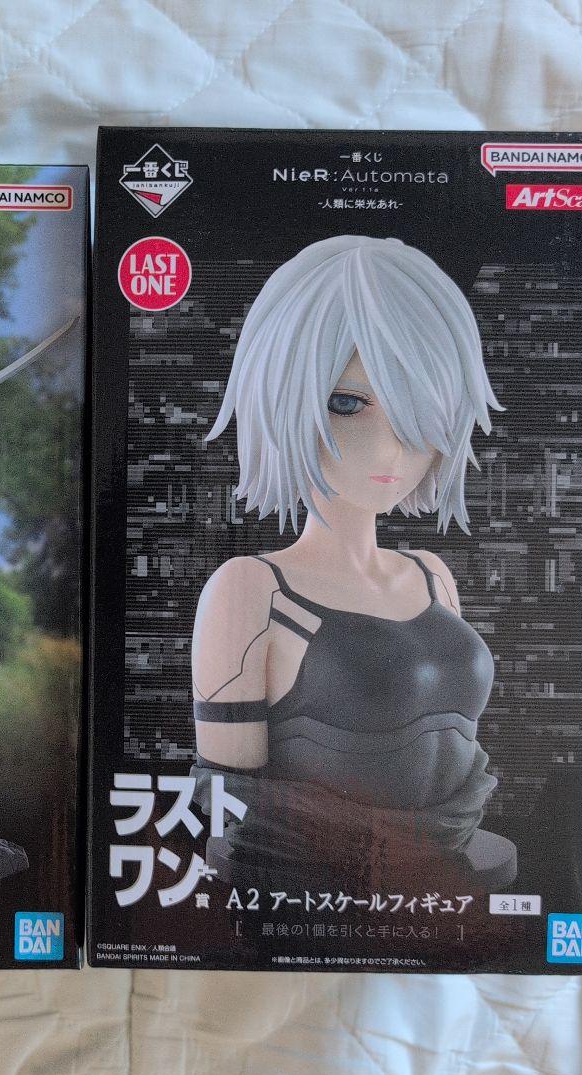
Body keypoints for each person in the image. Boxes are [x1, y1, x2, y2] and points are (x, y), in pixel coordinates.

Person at [191, 235, 517, 888]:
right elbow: (231, 805)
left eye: (419, 409)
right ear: (283, 394)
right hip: (309, 886)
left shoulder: (431, 575)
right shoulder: (251, 589)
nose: (391, 447)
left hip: (455, 876)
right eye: (347, 404)